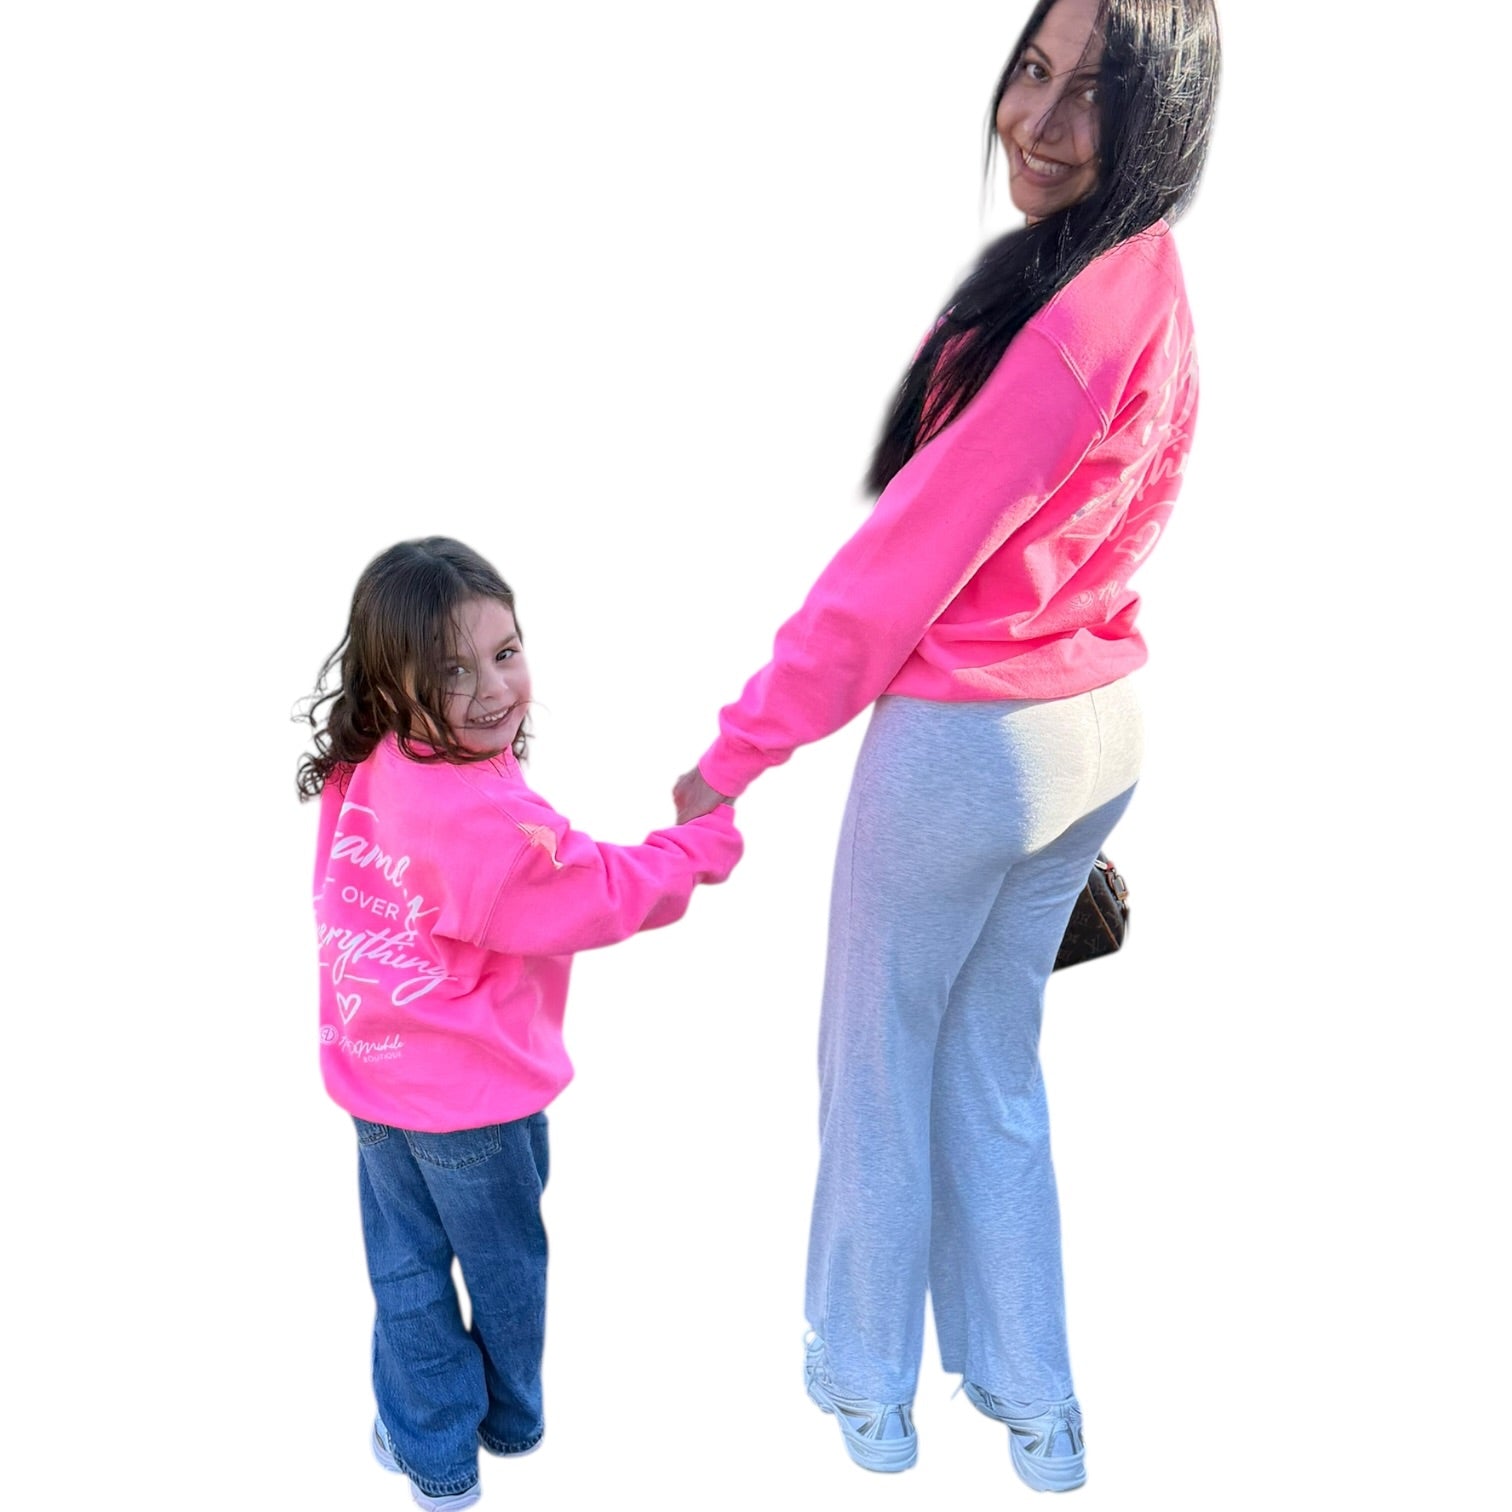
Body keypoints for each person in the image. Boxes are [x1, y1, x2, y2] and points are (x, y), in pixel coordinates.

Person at [673, 0, 1220, 1491]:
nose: (1036, 123)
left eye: (1088, 95)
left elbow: (888, 581)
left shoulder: (1061, 324)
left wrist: (737, 755)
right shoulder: (1149, 278)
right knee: (988, 1065)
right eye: (1028, 72)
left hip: (974, 743)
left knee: (877, 1060)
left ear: (1160, 115)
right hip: (1093, 725)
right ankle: (1038, 1411)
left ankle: (864, 1382)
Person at [299, 536, 741, 1511]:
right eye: (452, 670)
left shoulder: (364, 764)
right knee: (504, 1269)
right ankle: (501, 1420)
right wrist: (700, 842)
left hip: (374, 1081)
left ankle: (431, 1453)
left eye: (507, 652)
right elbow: (605, 890)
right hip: (476, 1109)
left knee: (405, 1270)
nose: (494, 687)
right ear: (395, 681)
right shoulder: (491, 829)